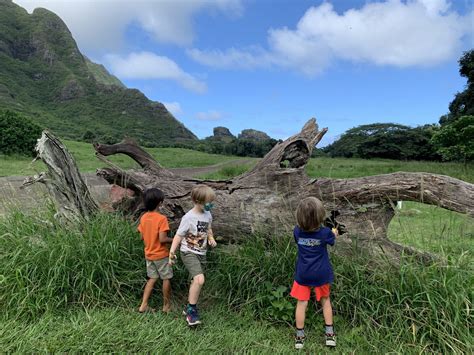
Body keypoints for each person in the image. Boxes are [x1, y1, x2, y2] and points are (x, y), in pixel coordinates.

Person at [290, 197, 338, 349]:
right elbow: (332, 240)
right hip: (321, 274)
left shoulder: (297, 231)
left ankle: (299, 337)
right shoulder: (325, 233)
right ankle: (329, 335)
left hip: (303, 274)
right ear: (320, 216)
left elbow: (299, 240)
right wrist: (334, 232)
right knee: (325, 301)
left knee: (301, 303)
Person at [169, 184, 217, 326]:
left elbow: (208, 228)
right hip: (188, 252)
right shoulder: (188, 217)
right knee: (199, 280)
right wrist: (171, 253)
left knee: (194, 281)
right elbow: (178, 236)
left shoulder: (207, 214)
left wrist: (211, 238)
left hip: (202, 252)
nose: (210, 205)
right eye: (208, 203)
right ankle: (192, 312)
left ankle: (189, 306)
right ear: (197, 201)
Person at [137, 188, 173, 313]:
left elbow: (141, 236)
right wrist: (174, 240)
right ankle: (166, 306)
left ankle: (143, 305)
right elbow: (162, 239)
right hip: (161, 254)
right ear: (160, 203)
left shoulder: (143, 217)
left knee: (152, 278)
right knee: (166, 278)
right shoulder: (161, 218)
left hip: (149, 254)